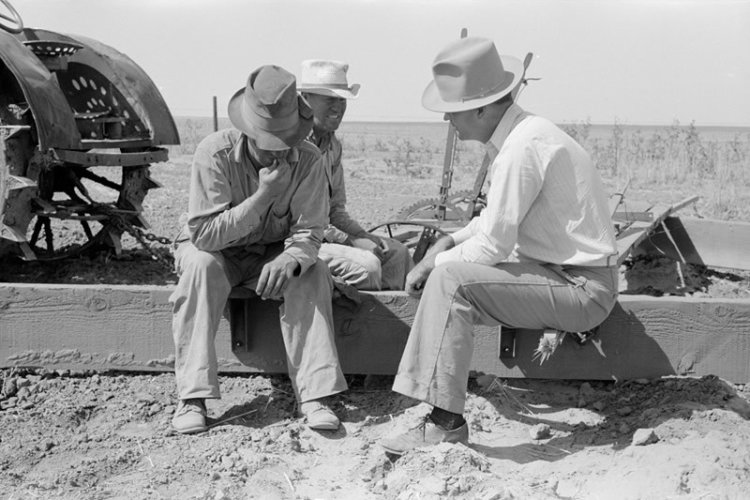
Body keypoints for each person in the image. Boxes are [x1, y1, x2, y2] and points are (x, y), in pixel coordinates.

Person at [380, 37, 619, 455]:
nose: (448, 121)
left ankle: (444, 423)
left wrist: (430, 266)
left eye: (451, 111)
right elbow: (491, 222)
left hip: (581, 288)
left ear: (481, 107)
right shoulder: (525, 136)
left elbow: (492, 245)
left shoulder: (520, 150)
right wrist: (448, 240)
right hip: (565, 276)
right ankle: (437, 406)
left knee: (451, 281)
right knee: (448, 268)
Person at [169, 65, 346, 434]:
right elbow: (204, 235)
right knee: (200, 267)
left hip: (270, 252)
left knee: (313, 272)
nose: (278, 153)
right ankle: (192, 398)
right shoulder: (214, 154)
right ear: (248, 132)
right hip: (217, 252)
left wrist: (289, 258)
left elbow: (310, 232)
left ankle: (314, 396)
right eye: (268, 142)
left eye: (286, 142)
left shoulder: (310, 160)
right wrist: (263, 196)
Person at [299, 59, 412, 290]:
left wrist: (363, 236)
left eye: (342, 99)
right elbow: (303, 220)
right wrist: (352, 241)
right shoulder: (296, 147)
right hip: (298, 241)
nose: (338, 107)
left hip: (324, 236)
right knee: (368, 266)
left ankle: (392, 321)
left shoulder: (332, 147)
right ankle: (356, 324)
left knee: (397, 253)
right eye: (330, 98)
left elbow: (336, 210)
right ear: (305, 99)